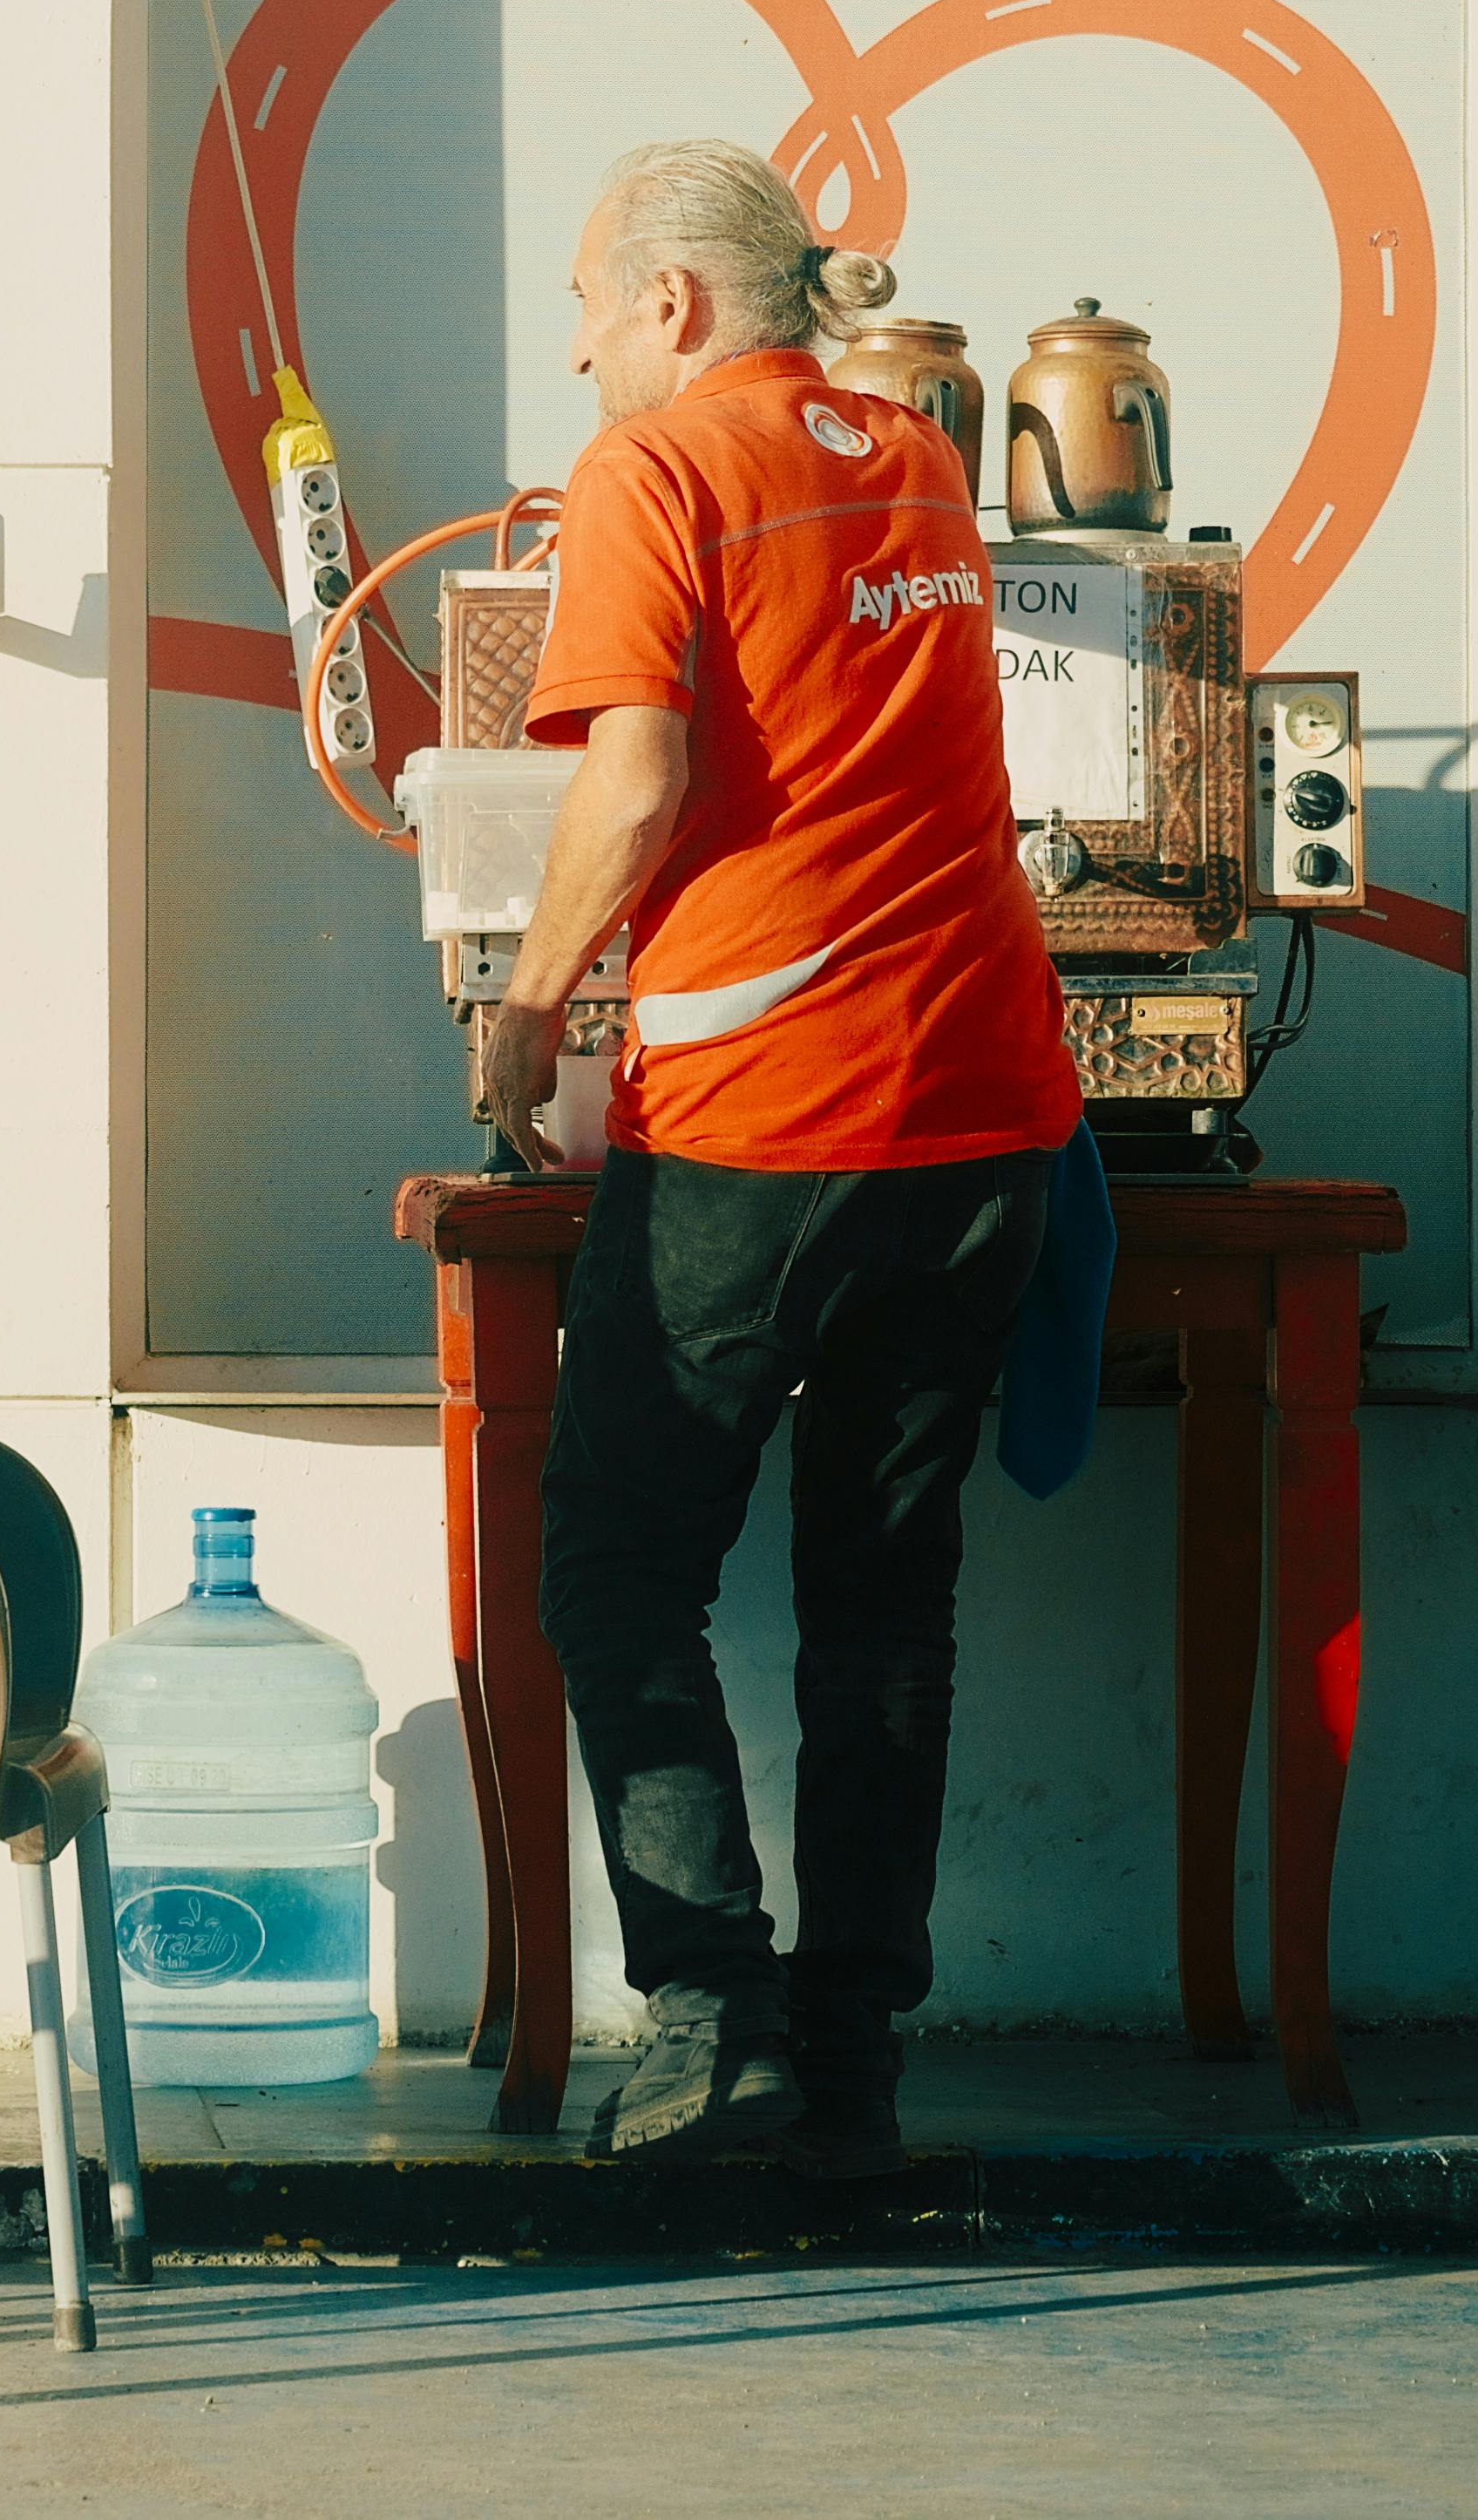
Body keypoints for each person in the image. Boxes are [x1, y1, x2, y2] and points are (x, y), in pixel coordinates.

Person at [477, 138, 1081, 2175]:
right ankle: (849, 2061)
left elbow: (636, 776)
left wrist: (529, 996)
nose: (577, 354)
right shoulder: (908, 455)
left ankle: (707, 2021)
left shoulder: (650, 469)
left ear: (666, 302)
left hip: (771, 1108)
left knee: (614, 1560)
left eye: (585, 309)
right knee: (881, 1598)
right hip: (983, 1108)